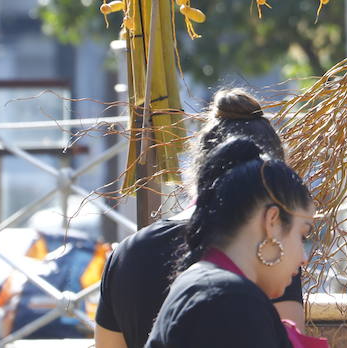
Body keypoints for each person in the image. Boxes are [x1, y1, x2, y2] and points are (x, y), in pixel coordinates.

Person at [96, 89, 305, 348]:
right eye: (302, 233)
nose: (302, 256)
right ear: (270, 212)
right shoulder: (269, 253)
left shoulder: (128, 251)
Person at [145, 137, 317, 348]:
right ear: (272, 222)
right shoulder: (232, 299)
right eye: (302, 235)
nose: (304, 258)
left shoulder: (208, 285)